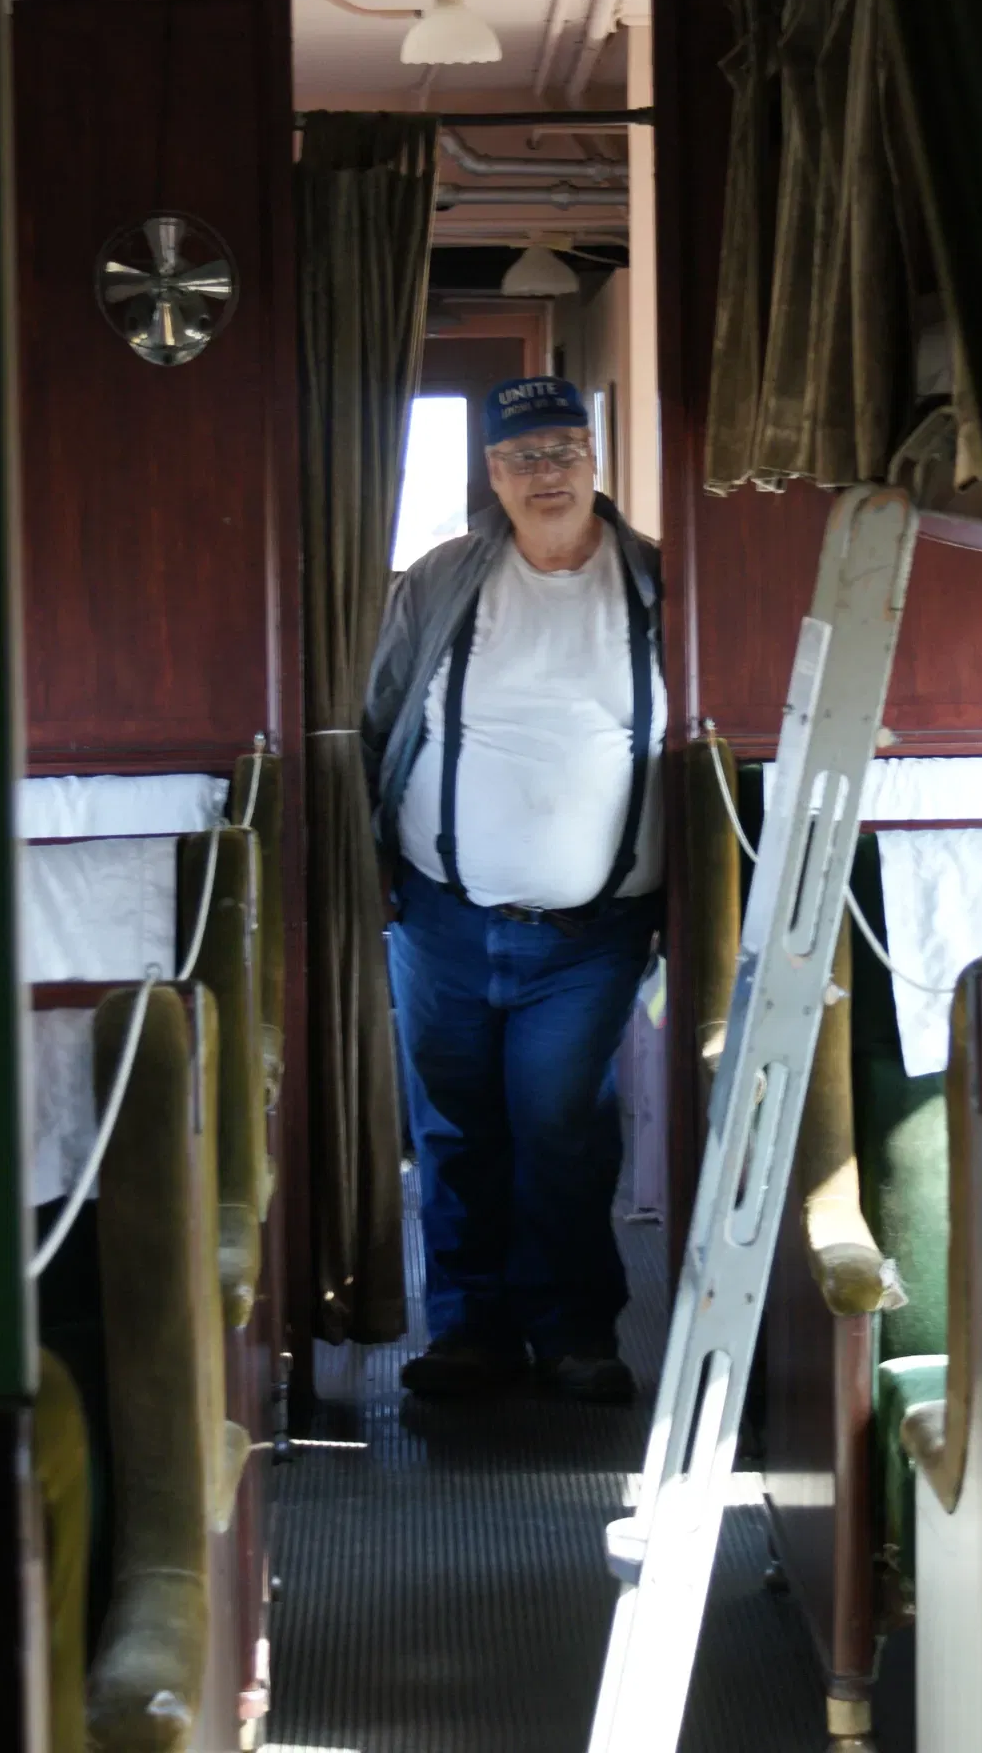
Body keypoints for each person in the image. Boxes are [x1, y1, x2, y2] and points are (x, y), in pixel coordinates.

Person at [362, 375, 666, 1405]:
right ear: (492, 473)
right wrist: (371, 876)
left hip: (592, 930)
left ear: (593, 458)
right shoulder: (441, 580)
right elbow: (378, 717)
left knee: (561, 1126)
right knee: (452, 1129)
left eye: (562, 450)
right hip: (440, 914)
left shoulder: (659, 584)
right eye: (521, 457)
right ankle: (469, 1329)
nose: (545, 473)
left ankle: (575, 1329)